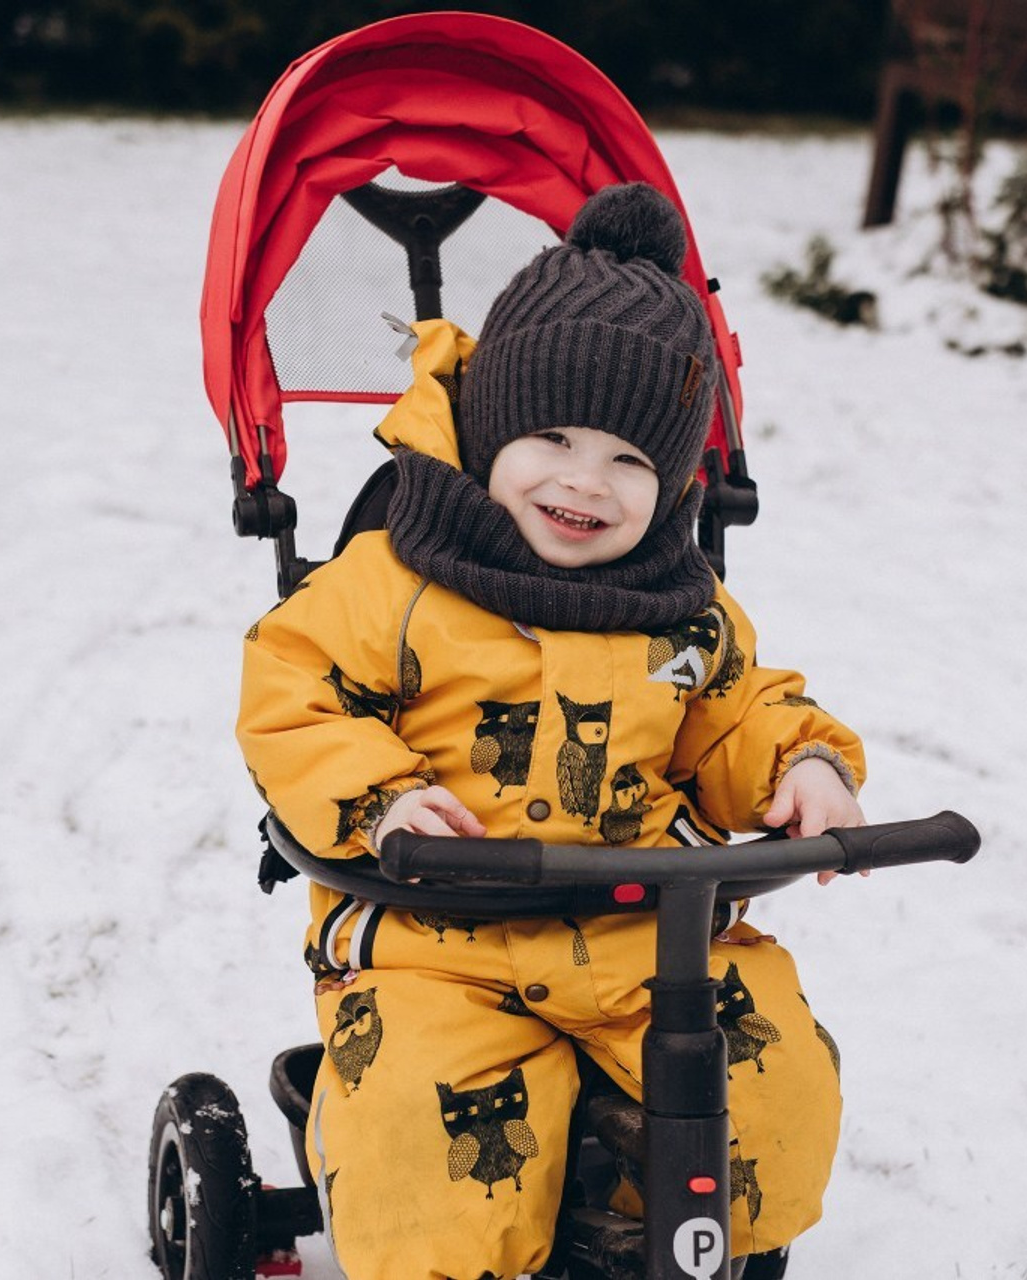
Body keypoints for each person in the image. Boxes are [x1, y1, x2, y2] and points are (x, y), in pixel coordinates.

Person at [237, 182, 865, 1280]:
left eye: (631, 460)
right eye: (551, 437)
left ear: (672, 483)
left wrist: (801, 760)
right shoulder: (390, 579)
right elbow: (295, 689)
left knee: (772, 1078)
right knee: (422, 1133)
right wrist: (378, 795)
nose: (585, 480)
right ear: (487, 430)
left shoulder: (683, 604)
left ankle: (675, 1225)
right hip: (437, 932)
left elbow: (729, 708)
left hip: (644, 932)